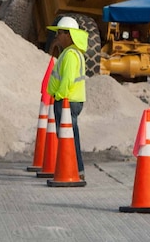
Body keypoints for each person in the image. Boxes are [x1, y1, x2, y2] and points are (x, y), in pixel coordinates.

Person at [46, 15, 88, 179]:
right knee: (69, 136)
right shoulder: (71, 52)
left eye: (60, 33)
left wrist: (59, 96)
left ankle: (74, 169)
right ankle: (74, 169)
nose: (57, 37)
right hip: (69, 100)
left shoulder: (71, 54)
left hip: (67, 101)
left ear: (68, 34)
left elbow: (68, 80)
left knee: (68, 137)